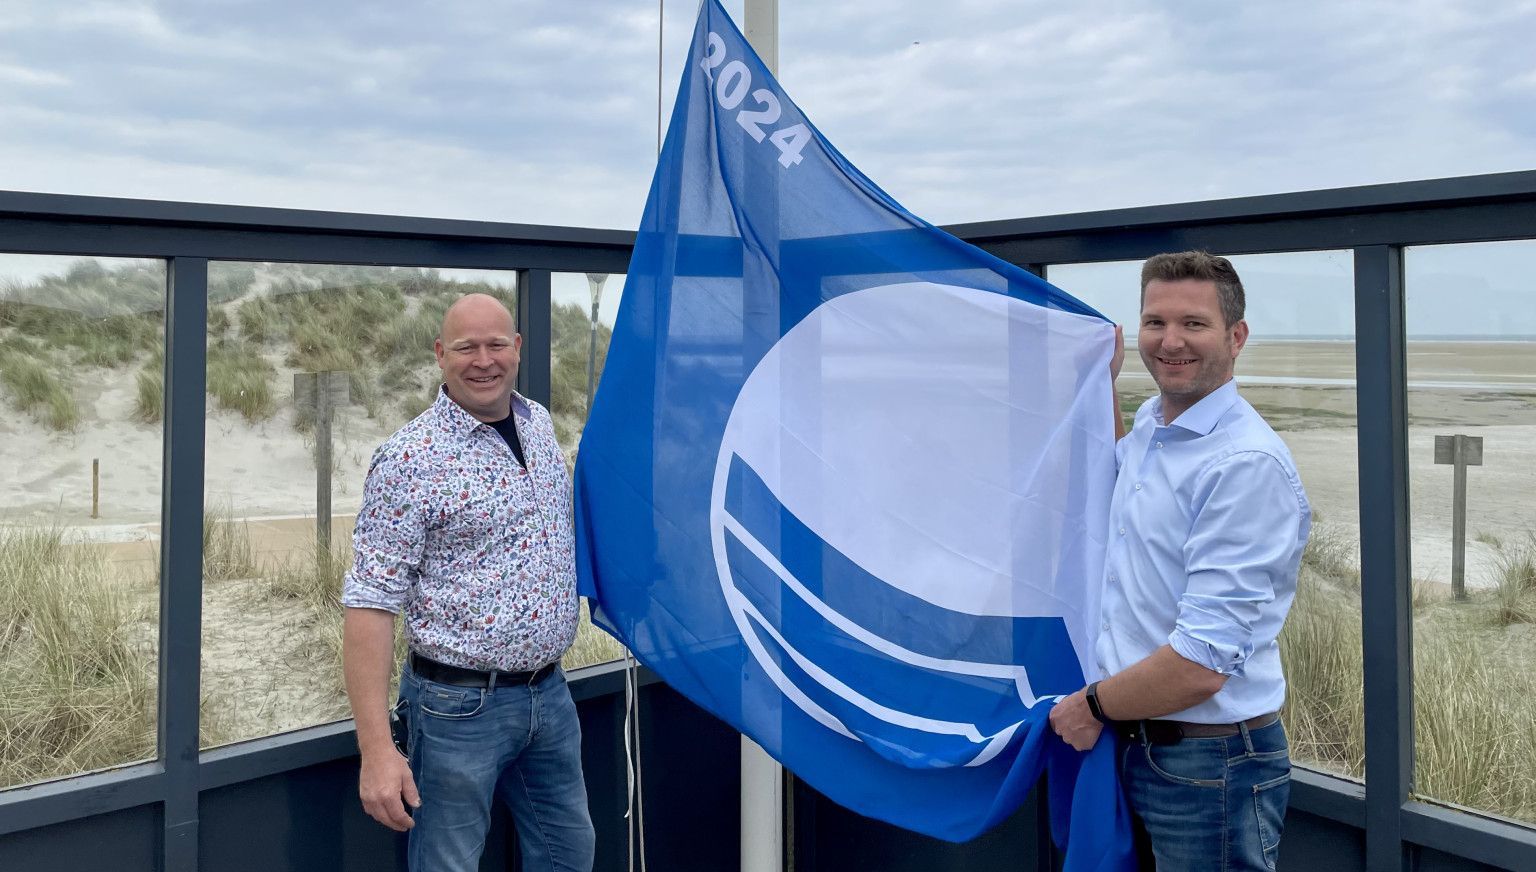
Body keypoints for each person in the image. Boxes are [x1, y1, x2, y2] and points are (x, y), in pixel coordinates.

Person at [1049, 251, 1311, 871]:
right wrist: (1102, 383)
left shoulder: (1244, 466)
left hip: (1209, 767)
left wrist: (1089, 706)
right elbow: (1124, 483)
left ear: (1236, 337)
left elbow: (1202, 664)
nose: (1170, 342)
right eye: (1154, 323)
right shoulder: (1155, 426)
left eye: (1193, 324)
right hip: (1133, 745)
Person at [341, 293, 595, 872]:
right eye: (466, 347)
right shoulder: (410, 458)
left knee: (569, 856)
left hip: (550, 697)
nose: (484, 360)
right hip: (457, 711)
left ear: (518, 349)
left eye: (496, 344)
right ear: (439, 355)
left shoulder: (537, 425)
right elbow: (370, 605)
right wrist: (377, 750)